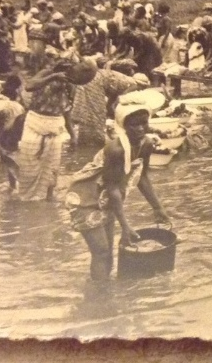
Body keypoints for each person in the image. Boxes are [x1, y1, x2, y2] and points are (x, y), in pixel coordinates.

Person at [66, 104, 170, 281]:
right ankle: (99, 298)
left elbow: (142, 177)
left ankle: (105, 294)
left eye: (143, 123)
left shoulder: (147, 144)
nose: (139, 129)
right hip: (86, 197)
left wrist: (157, 207)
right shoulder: (116, 149)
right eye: (133, 125)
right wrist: (125, 225)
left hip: (106, 197)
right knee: (101, 251)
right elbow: (112, 187)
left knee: (108, 251)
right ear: (123, 126)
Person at [15, 61, 81, 201]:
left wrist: (73, 136)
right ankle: (26, 199)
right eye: (64, 71)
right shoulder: (46, 74)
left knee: (52, 166)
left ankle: (48, 198)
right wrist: (53, 77)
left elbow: (67, 112)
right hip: (34, 122)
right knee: (28, 164)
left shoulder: (70, 86)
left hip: (55, 125)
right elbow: (29, 86)